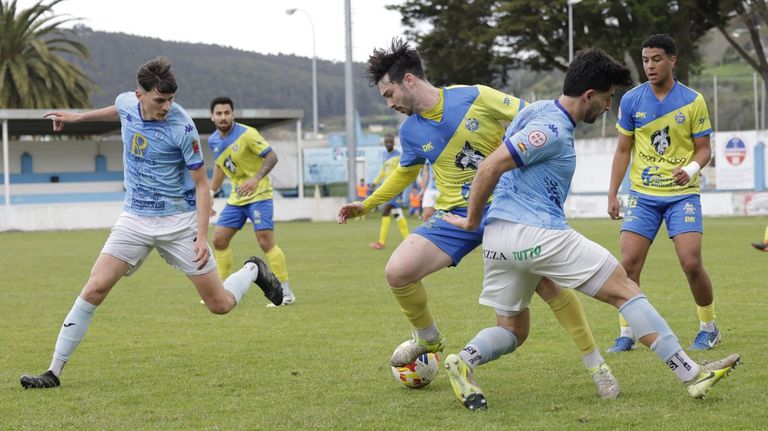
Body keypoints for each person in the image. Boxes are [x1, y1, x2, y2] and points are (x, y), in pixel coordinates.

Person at [441, 48, 739, 411]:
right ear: (588, 96)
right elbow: (490, 166)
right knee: (626, 290)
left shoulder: (535, 110)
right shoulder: (550, 129)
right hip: (536, 233)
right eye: (607, 98)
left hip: (499, 241)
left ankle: (465, 359)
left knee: (513, 330)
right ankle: (692, 373)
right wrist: (471, 220)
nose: (608, 107)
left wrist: (481, 225)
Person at [338, 38, 620, 399]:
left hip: (507, 207)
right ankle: (430, 340)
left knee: (549, 287)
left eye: (389, 93)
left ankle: (598, 367)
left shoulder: (473, 97)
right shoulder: (410, 132)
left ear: (409, 80)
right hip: (456, 216)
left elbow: (534, 114)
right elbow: (404, 174)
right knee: (397, 271)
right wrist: (368, 204)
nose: (389, 103)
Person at [19, 58, 283, 389]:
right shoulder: (127, 102)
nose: (167, 106)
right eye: (160, 100)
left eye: (171, 99)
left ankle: (252, 271)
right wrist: (77, 117)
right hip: (134, 219)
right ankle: (53, 372)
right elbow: (117, 110)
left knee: (219, 305)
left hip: (178, 223)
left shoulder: (183, 128)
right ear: (139, 95)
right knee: (95, 286)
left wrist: (201, 236)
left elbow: (202, 185)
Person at [607, 34, 719, 352]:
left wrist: (692, 170)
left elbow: (704, 150)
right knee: (627, 265)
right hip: (643, 195)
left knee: (691, 263)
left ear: (672, 60)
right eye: (645, 60)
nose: (650, 66)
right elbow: (622, 150)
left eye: (657, 59)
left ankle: (708, 327)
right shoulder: (631, 100)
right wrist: (613, 193)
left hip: (682, 195)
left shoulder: (693, 100)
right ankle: (627, 333)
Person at [209, 97, 295, 305]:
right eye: (219, 113)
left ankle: (286, 292)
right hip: (236, 199)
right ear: (212, 117)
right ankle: (220, 289)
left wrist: (256, 179)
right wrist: (210, 195)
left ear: (233, 114)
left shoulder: (247, 134)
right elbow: (221, 166)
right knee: (219, 239)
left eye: (227, 112)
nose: (223, 117)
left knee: (265, 242)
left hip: (259, 195)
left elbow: (272, 156)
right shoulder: (214, 140)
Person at [368, 134, 409, 249]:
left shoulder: (398, 155)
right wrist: (375, 183)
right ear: (384, 143)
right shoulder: (385, 155)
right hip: (388, 187)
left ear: (394, 143)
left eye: (390, 142)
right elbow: (383, 171)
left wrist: (401, 187)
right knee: (397, 214)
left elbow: (402, 171)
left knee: (385, 211)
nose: (389, 144)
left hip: (395, 187)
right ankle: (408, 240)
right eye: (387, 142)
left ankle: (381, 242)